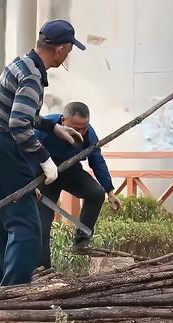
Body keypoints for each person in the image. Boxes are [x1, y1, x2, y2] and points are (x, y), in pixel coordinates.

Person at [0, 20, 86, 287]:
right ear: (60, 49)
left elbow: (20, 113)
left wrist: (53, 127)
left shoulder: (20, 64)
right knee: (26, 228)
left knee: (6, 227)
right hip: (5, 149)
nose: (68, 55)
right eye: (70, 50)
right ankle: (13, 294)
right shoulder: (33, 76)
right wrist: (44, 158)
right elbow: (17, 124)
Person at [35, 101, 122, 268]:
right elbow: (28, 154)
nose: (80, 132)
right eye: (76, 128)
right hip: (45, 176)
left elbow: (96, 159)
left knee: (96, 193)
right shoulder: (45, 128)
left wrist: (109, 190)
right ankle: (43, 271)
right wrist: (32, 184)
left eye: (84, 127)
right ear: (63, 121)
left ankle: (81, 241)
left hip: (71, 171)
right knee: (42, 225)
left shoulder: (90, 134)